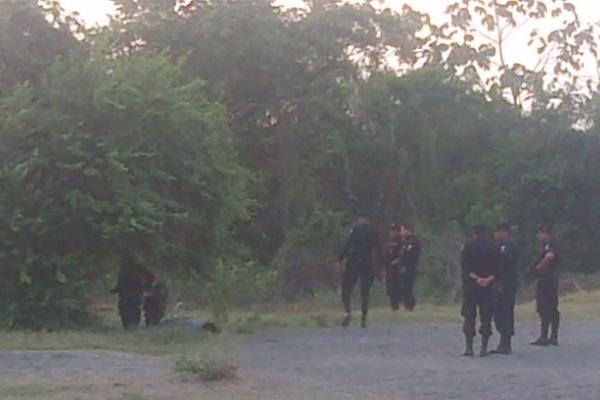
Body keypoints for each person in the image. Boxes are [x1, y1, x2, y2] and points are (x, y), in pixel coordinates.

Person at [460, 224, 499, 357]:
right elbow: (499, 267)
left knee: (469, 316)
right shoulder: (493, 247)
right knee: (486, 316)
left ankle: (469, 347)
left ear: (474, 233)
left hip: (471, 286)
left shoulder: (468, 246)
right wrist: (488, 279)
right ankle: (483, 347)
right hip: (488, 286)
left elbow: (464, 266)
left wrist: (476, 278)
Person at [337, 211, 379, 328]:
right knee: (365, 291)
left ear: (361, 219)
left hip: (354, 262)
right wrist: (380, 265)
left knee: (346, 288)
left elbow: (348, 244)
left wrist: (340, 259)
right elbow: (378, 249)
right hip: (367, 263)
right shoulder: (374, 232)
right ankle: (363, 318)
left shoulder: (355, 230)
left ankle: (347, 312)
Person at [490, 222, 519, 355]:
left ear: (504, 232)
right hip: (497, 283)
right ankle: (503, 339)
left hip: (507, 283)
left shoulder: (509, 246)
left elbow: (506, 264)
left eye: (497, 232)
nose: (495, 235)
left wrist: (501, 281)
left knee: (505, 311)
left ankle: (506, 342)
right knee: (497, 311)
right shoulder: (498, 246)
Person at [531, 224, 561, 346]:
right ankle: (548, 335)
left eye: (540, 233)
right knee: (545, 307)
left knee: (548, 307)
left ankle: (549, 336)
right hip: (545, 278)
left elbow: (550, 257)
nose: (538, 236)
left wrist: (539, 266)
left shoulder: (553, 244)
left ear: (544, 233)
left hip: (549, 279)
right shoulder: (544, 246)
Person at [112, 253, 150, 330]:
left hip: (134, 293)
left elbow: (149, 277)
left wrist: (144, 286)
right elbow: (120, 283)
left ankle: (132, 324)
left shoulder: (136, 269)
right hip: (127, 294)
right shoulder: (125, 271)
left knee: (132, 307)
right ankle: (129, 324)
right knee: (125, 307)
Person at [398, 223, 422, 311]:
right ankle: (407, 304)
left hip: (410, 268)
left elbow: (411, 256)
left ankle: (410, 305)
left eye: (402, 230)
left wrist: (405, 266)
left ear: (408, 230)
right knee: (404, 287)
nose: (401, 232)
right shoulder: (406, 241)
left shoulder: (413, 241)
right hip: (406, 268)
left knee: (407, 287)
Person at [383, 224, 404, 311]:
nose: (392, 232)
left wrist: (399, 261)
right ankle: (393, 306)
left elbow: (404, 254)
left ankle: (401, 304)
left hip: (398, 268)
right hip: (389, 268)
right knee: (390, 288)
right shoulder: (387, 243)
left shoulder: (402, 242)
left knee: (399, 287)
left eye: (394, 231)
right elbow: (384, 256)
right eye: (391, 231)